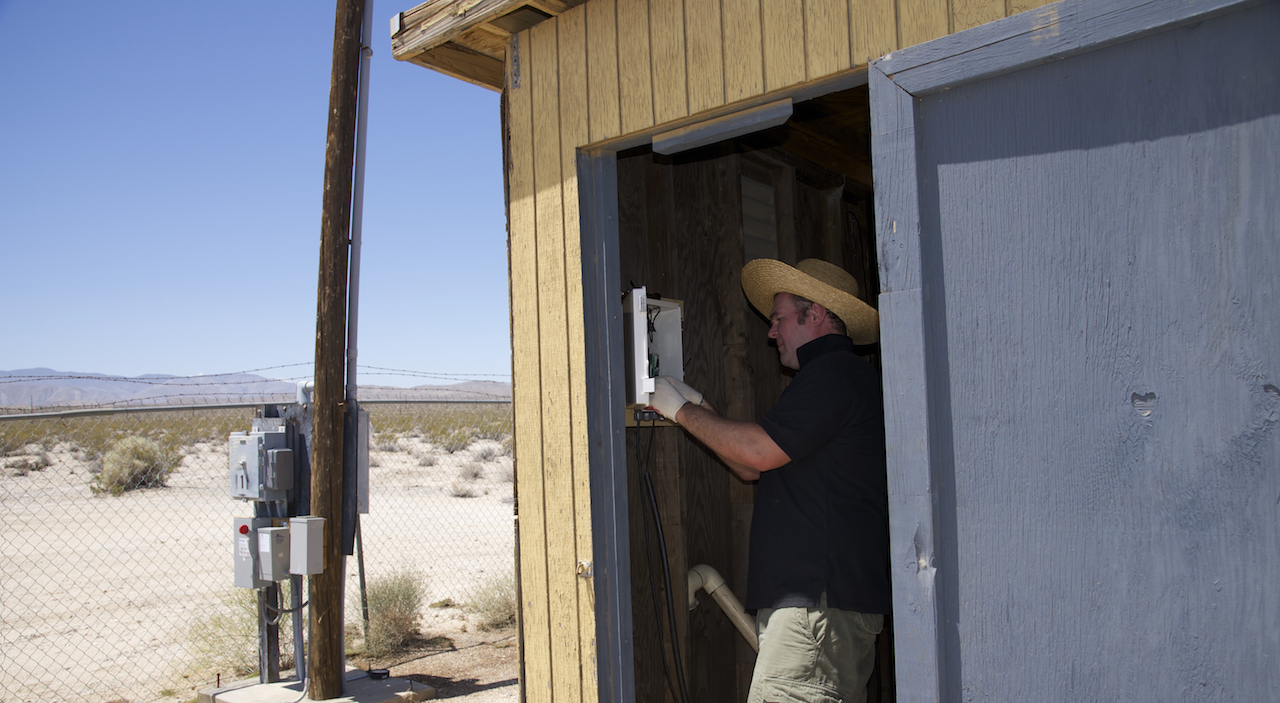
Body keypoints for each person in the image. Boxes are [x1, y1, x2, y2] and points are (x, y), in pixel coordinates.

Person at [646, 258, 891, 703]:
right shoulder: (840, 378)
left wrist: (679, 410)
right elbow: (752, 466)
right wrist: (697, 408)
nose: (770, 332)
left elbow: (756, 453)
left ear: (813, 314)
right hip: (822, 613)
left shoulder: (833, 375)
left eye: (778, 320)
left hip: (816, 613)